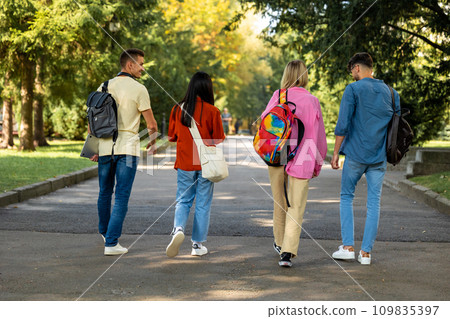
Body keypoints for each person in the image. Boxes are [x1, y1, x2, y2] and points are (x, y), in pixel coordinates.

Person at [331, 52, 400, 265]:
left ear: (357, 68)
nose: (352, 74)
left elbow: (343, 123)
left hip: (356, 154)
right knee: (374, 204)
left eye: (352, 70)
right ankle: (366, 253)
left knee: (346, 196)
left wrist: (335, 153)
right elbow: (395, 126)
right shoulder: (391, 92)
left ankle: (348, 247)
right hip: (379, 157)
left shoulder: (353, 89)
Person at [90, 48, 158, 256]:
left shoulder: (104, 86)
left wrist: (95, 147)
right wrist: (153, 142)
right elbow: (152, 124)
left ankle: (105, 233)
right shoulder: (139, 89)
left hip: (104, 146)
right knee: (121, 195)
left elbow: (94, 120)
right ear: (130, 65)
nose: (143, 68)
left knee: (104, 192)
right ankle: (111, 243)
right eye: (141, 64)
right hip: (127, 149)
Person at [262, 60, 327, 267]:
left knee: (280, 202)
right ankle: (287, 253)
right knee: (296, 205)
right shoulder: (313, 101)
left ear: (287, 75)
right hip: (304, 157)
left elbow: (265, 124)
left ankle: (280, 243)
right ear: (304, 75)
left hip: (278, 155)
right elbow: (319, 138)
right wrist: (317, 164)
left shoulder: (278, 96)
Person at [166, 71, 225, 258]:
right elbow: (218, 138)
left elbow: (172, 137)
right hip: (206, 164)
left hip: (184, 163)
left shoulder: (177, 109)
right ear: (208, 89)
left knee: (183, 200)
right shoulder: (213, 111)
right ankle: (197, 245)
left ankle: (178, 229)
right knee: (203, 203)